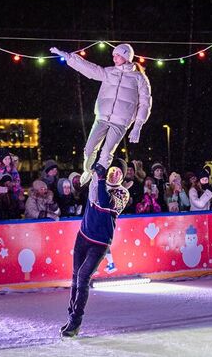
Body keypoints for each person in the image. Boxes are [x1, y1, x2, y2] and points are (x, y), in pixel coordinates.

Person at [50, 44, 152, 186]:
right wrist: (69, 57)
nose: (114, 57)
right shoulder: (109, 72)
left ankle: (99, 180)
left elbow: (145, 103)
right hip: (102, 118)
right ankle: (88, 171)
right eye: (113, 55)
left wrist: (138, 126)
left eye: (117, 55)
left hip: (120, 122)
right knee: (89, 149)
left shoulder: (139, 78)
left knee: (106, 153)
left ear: (126, 56)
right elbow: (90, 69)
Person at [60, 159, 130, 337]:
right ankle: (70, 317)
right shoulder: (96, 182)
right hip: (83, 236)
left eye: (119, 173)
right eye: (112, 170)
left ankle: (76, 321)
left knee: (84, 276)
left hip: (100, 242)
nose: (114, 174)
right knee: (76, 276)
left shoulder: (122, 193)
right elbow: (81, 188)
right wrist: (93, 172)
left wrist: (100, 180)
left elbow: (105, 203)